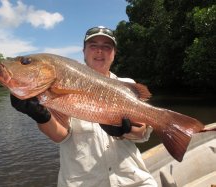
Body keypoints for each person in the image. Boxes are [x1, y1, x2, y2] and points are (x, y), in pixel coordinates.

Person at [10, 26, 158, 187]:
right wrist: (41, 116)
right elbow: (60, 136)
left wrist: (126, 130)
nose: (99, 51)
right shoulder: (58, 83)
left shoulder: (128, 85)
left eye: (106, 47)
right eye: (93, 45)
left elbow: (143, 133)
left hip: (132, 180)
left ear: (114, 53)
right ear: (84, 51)